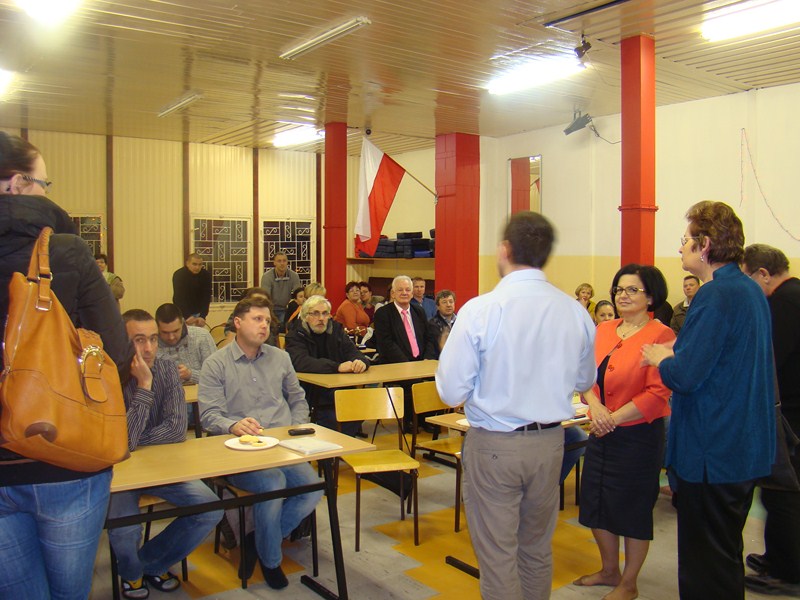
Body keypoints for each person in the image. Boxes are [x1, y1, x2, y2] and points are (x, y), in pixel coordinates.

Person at [436, 211, 597, 599]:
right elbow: (584, 381)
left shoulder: (482, 309)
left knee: (498, 556)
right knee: (536, 549)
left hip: (496, 444)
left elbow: (450, 391)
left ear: (504, 250)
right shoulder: (575, 312)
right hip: (550, 444)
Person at [0, 132, 129, 599]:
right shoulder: (67, 251)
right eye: (43, 182)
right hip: (64, 457)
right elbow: (116, 354)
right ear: (17, 183)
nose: (46, 192)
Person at [642, 201, 775, 600]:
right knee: (723, 555)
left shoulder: (715, 295)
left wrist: (663, 359)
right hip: (740, 446)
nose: (680, 247)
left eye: (685, 240)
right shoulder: (749, 290)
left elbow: (685, 376)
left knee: (704, 566)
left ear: (705, 244)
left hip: (712, 450)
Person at [199, 296, 323, 589]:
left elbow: (298, 398)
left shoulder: (280, 358)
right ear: (238, 323)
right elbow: (208, 415)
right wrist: (232, 425)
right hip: (238, 450)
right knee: (272, 483)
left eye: (267, 320)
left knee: (313, 487)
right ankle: (271, 560)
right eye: (257, 319)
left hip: (281, 446)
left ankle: (258, 539)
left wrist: (295, 427)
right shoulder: (216, 363)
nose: (264, 325)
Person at [573, 264, 675, 600]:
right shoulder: (603, 329)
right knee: (596, 501)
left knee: (632, 508)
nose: (623, 295)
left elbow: (657, 393)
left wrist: (612, 418)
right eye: (619, 289)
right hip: (601, 429)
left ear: (651, 297)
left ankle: (629, 582)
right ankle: (609, 570)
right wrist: (596, 406)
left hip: (638, 436)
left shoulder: (661, 335)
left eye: (633, 290)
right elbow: (583, 376)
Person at [109, 310, 222, 599]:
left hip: (161, 465)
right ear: (122, 341)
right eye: (139, 340)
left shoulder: (168, 369)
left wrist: (132, 440)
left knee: (210, 508)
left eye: (153, 339)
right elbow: (121, 445)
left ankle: (150, 563)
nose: (148, 348)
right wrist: (144, 386)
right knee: (124, 530)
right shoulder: (108, 375)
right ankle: (132, 575)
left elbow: (176, 430)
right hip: (118, 472)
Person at [741, 243, 800, 594]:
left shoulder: (783, 303)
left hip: (790, 413)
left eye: (746, 278)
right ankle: (778, 556)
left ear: (762, 274)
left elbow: (769, 360)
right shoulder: (793, 294)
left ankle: (787, 571)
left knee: (782, 495)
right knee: (778, 495)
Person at [285, 295, 370, 435]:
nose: (321, 318)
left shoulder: (336, 330)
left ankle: (344, 443)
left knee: (362, 407)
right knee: (333, 418)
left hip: (341, 389)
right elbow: (300, 362)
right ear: (305, 316)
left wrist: (361, 362)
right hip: (312, 391)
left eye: (325, 313)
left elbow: (353, 352)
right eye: (315, 313)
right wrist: (337, 367)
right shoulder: (296, 334)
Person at [373, 275, 435, 431]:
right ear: (393, 293)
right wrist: (408, 365)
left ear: (412, 293)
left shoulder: (418, 311)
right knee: (412, 382)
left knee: (436, 380)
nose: (404, 293)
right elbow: (386, 344)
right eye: (400, 290)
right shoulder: (383, 313)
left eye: (408, 290)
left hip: (420, 362)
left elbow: (429, 337)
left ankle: (426, 419)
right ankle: (409, 420)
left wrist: (427, 359)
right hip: (395, 364)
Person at [155, 303, 217, 385]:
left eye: (176, 331)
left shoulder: (202, 337)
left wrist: (190, 375)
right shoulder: (150, 345)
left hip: (201, 392)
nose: (171, 337)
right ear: (157, 328)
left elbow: (217, 376)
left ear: (183, 323)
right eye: (165, 332)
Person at [259, 251, 301, 329]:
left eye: (284, 261)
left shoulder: (294, 276)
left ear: (287, 262)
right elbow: (265, 297)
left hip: (286, 309)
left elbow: (298, 294)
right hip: (270, 309)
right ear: (274, 263)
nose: (282, 263)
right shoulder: (267, 277)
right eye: (279, 261)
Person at [172, 253, 211, 327]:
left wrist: (203, 316)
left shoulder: (206, 275)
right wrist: (186, 316)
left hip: (198, 314)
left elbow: (206, 297)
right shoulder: (179, 275)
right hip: (181, 313)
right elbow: (178, 297)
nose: (197, 267)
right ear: (187, 263)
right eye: (194, 264)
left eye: (200, 264)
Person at [427, 289, 456, 359]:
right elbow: (431, 349)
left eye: (451, 301)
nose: (448, 305)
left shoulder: (461, 321)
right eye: (444, 302)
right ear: (438, 306)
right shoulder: (432, 324)